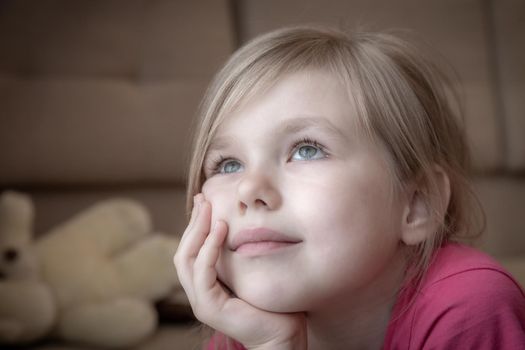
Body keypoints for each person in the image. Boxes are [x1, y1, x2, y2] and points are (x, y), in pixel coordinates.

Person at [174, 25, 525, 349]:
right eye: (228, 164)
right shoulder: (245, 326)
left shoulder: (470, 307)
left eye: (306, 150)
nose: (248, 189)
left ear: (418, 203)